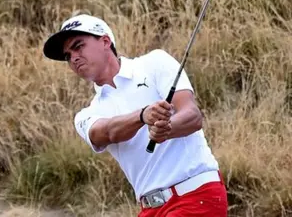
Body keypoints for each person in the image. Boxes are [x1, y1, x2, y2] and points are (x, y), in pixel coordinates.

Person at [42, 13, 228, 216]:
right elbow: (105, 132)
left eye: (78, 46)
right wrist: (142, 115)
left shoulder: (154, 63)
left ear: (105, 41)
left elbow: (192, 116)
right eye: (68, 56)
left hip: (196, 194)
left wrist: (167, 129)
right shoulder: (87, 114)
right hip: (150, 208)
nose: (74, 58)